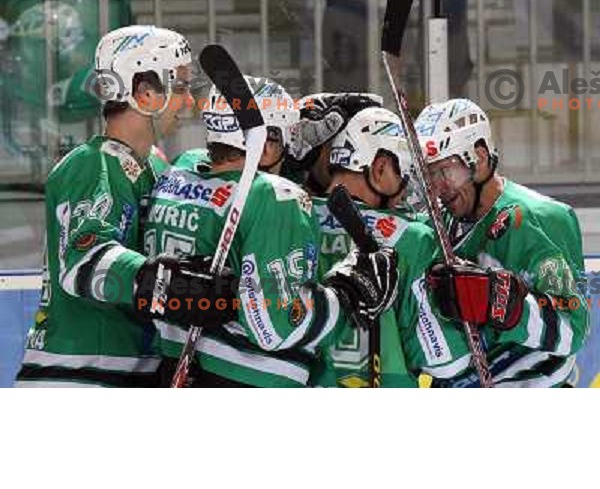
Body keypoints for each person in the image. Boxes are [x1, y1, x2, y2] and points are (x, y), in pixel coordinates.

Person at [16, 25, 232, 387]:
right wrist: (169, 283)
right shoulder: (90, 164)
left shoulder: (158, 167)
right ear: (145, 94)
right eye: (179, 87)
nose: (189, 103)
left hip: (128, 371)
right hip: (76, 376)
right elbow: (84, 260)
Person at [145, 79, 398, 387]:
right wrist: (345, 297)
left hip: (175, 366)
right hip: (248, 379)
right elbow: (274, 327)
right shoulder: (279, 198)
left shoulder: (176, 176)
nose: (294, 152)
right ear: (266, 143)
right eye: (289, 139)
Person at [415, 97, 590, 387]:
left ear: (480, 159)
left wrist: (508, 308)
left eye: (444, 170)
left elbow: (573, 328)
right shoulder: (438, 222)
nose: (437, 187)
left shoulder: (538, 218)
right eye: (429, 174)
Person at [310, 106, 472, 387]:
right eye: (405, 174)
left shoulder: (291, 213)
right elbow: (445, 360)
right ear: (380, 167)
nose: (406, 190)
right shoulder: (412, 238)